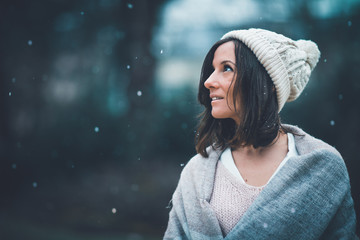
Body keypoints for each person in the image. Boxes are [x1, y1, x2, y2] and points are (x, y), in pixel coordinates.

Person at [163, 28, 358, 239]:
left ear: (268, 82)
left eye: (227, 68)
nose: (209, 81)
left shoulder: (324, 168)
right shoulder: (196, 172)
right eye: (212, 69)